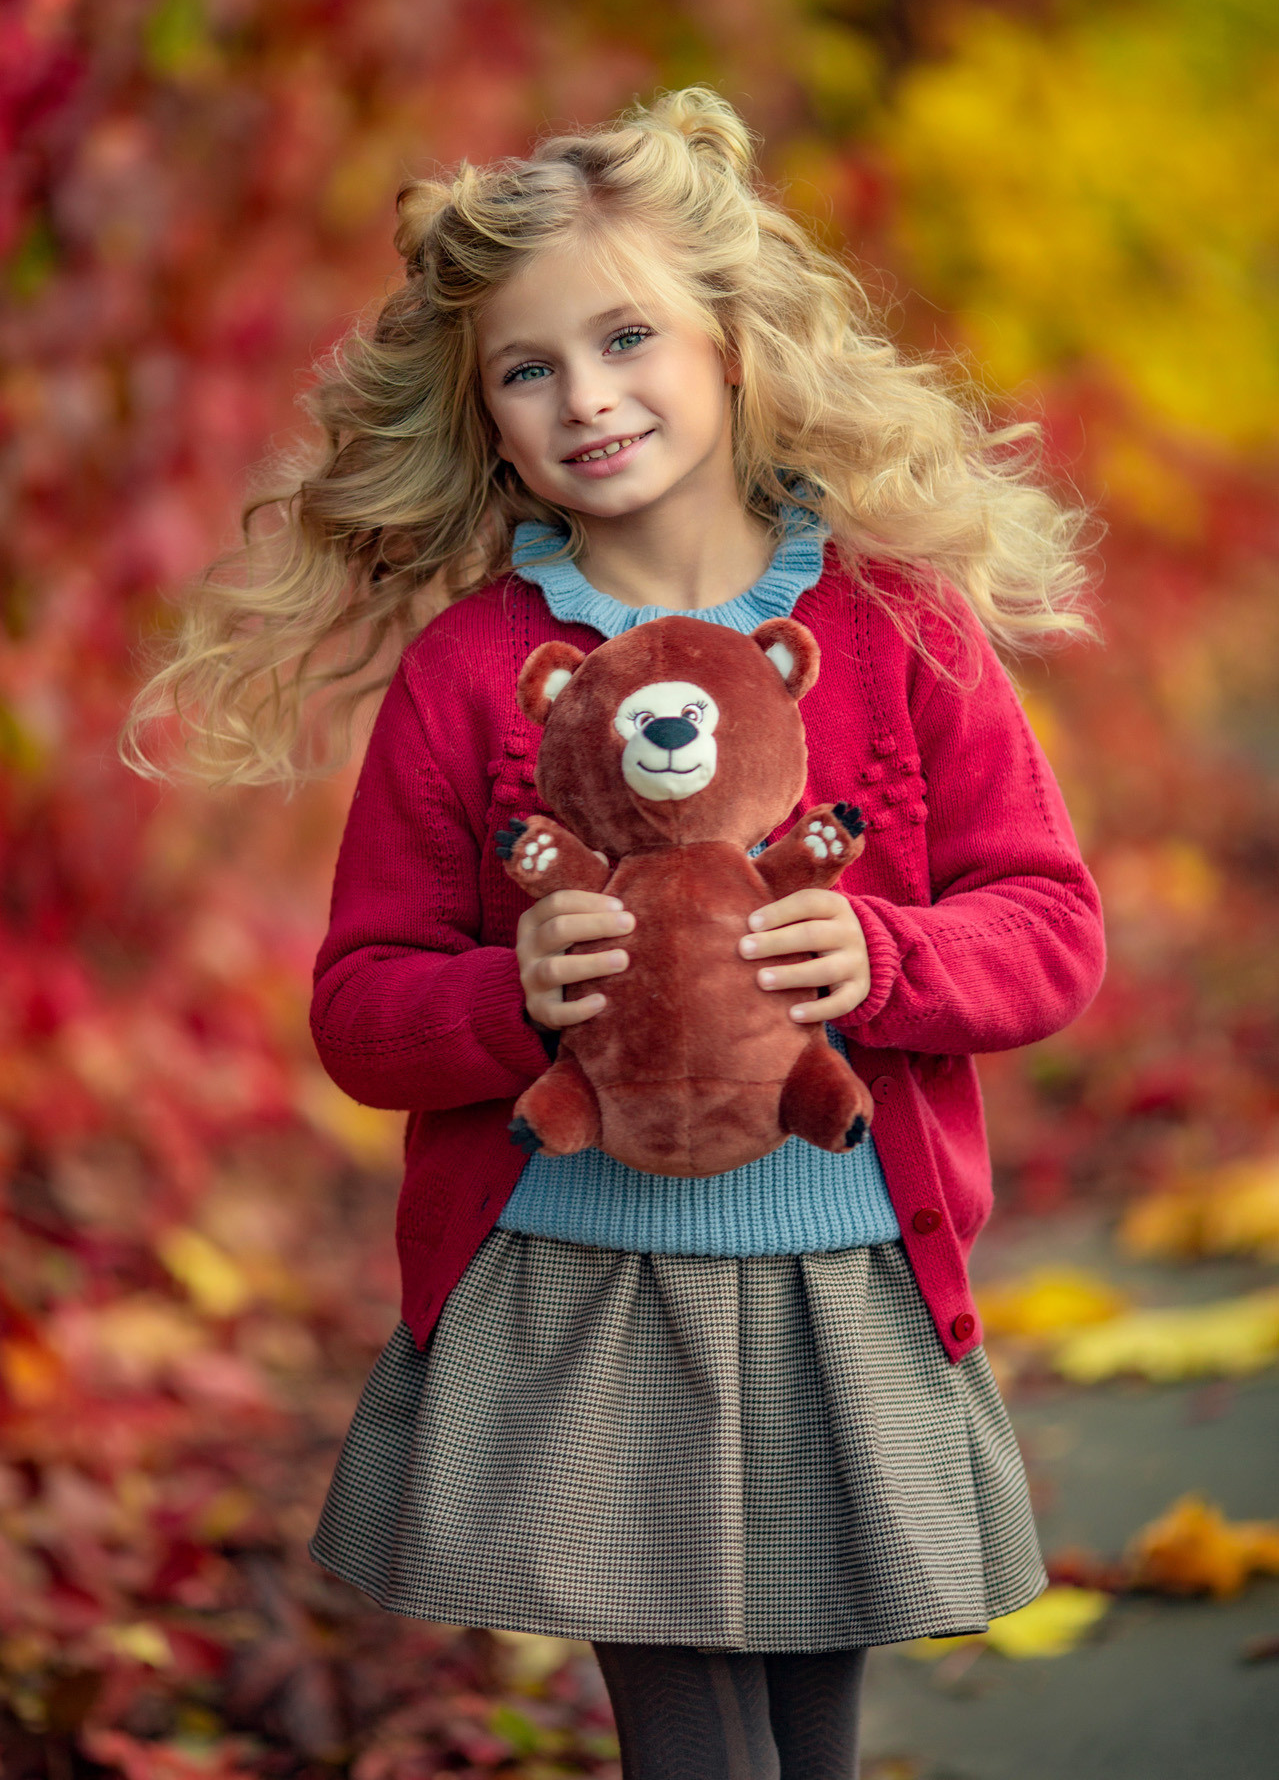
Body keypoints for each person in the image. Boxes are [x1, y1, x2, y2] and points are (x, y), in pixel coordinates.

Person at [124, 88, 1106, 1780]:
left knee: (807, 1728)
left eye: (628, 336)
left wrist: (894, 960)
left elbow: (1052, 926)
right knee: (697, 1742)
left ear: (732, 340)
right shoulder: (470, 673)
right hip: (578, 1280)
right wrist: (509, 996)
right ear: (484, 414)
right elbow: (360, 1009)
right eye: (528, 367)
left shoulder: (897, 628)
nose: (586, 397)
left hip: (846, 1270)